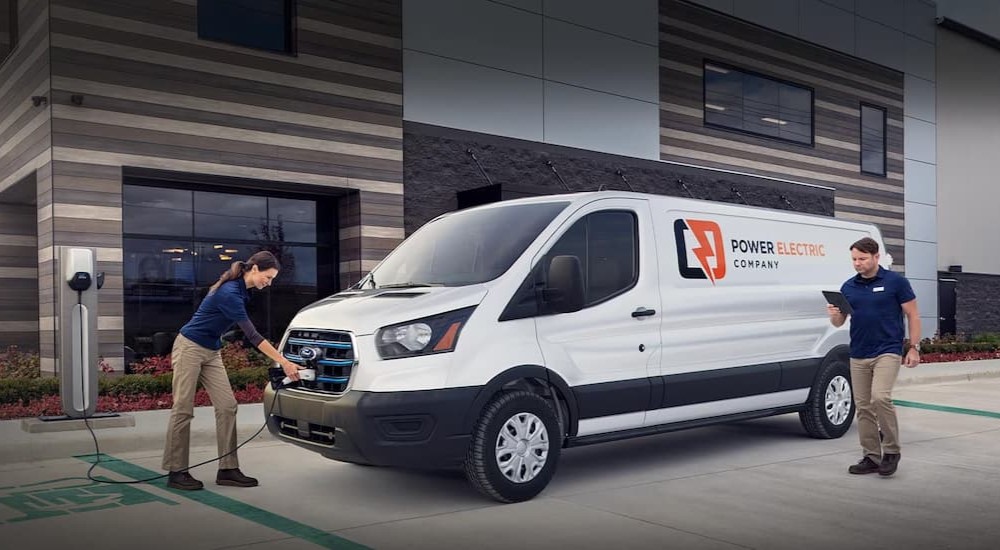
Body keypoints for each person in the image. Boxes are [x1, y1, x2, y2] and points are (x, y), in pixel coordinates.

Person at [162, 250, 300, 490]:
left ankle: (227, 469)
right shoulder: (230, 293)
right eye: (267, 277)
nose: (268, 284)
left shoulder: (240, 291)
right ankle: (176, 471)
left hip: (211, 350)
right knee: (183, 408)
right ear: (254, 268)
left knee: (227, 406)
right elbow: (253, 336)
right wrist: (284, 362)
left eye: (271, 280)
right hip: (190, 348)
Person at [827, 237, 920, 477]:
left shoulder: (896, 282)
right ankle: (871, 456)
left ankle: (891, 451)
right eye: (854, 259)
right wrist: (834, 314)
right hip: (858, 352)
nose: (857, 263)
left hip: (887, 350)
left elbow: (913, 315)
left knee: (880, 398)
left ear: (876, 257)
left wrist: (913, 347)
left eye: (862, 258)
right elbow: (839, 322)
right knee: (863, 407)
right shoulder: (848, 287)